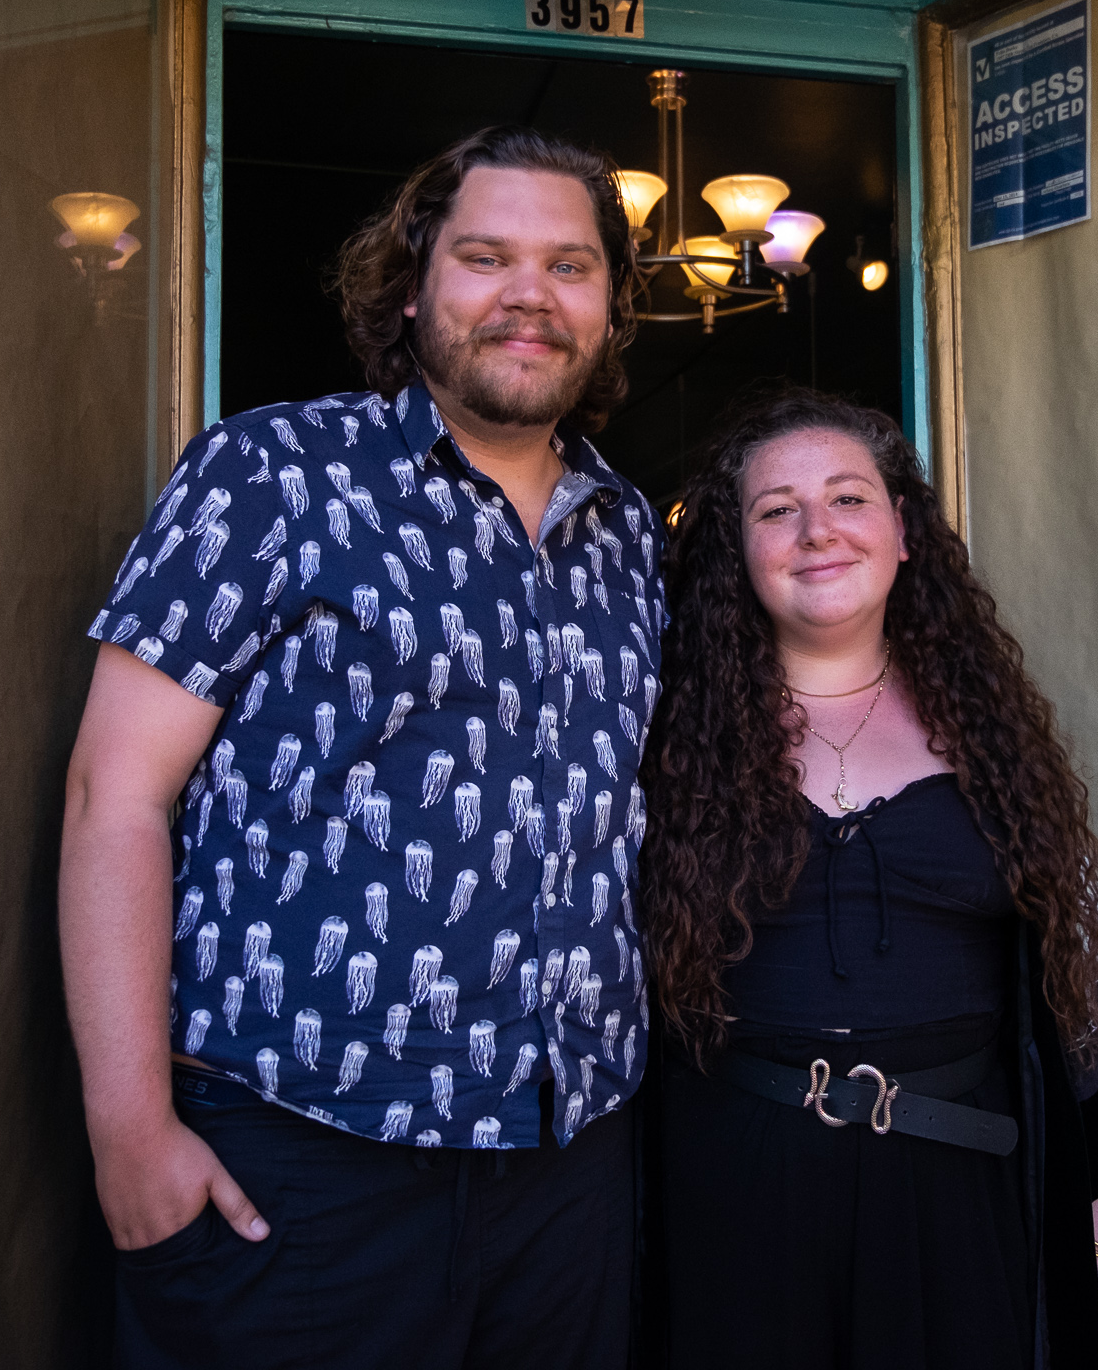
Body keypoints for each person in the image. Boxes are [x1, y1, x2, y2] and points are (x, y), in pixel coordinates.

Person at [59, 126, 663, 1370]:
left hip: (570, 1166)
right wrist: (128, 1130)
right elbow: (111, 796)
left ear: (609, 306)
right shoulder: (270, 474)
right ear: (411, 283)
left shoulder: (628, 534)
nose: (528, 298)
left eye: (570, 266)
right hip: (300, 1158)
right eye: (485, 257)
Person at [638, 388, 1098, 1369]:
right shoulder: (662, 738)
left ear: (903, 532)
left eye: (848, 499)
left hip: (956, 1195)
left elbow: (1082, 1003)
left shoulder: (990, 733)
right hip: (728, 1191)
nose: (816, 531)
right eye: (775, 510)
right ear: (738, 550)